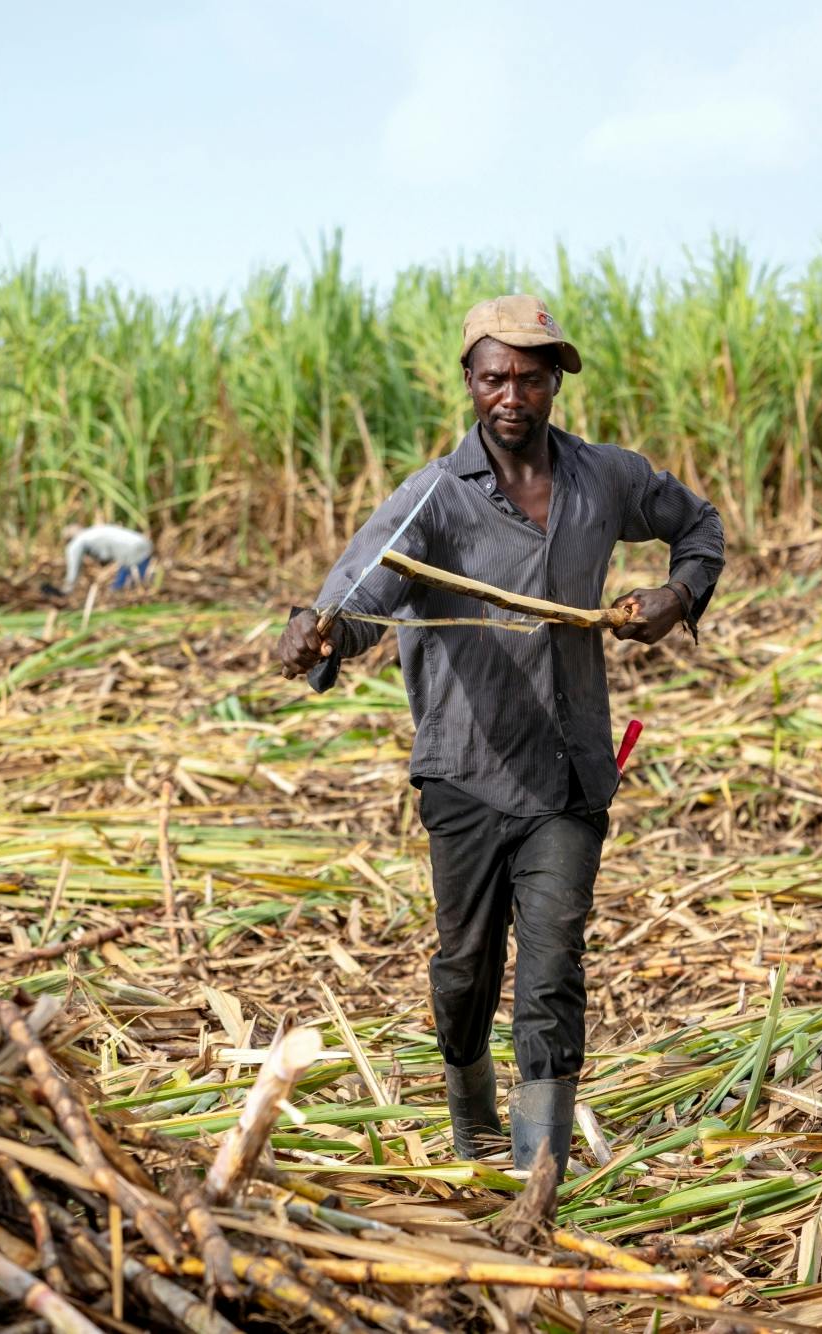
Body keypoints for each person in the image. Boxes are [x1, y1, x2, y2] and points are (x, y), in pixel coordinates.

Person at [276, 295, 726, 1180]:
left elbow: (699, 528)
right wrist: (316, 631)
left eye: (528, 377)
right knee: (464, 971)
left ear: (556, 380)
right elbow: (358, 598)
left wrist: (676, 599)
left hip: (571, 775)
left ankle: (539, 1174)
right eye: (493, 377)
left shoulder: (607, 479)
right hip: (467, 776)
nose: (510, 395)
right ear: (469, 383)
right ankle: (473, 1128)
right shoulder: (433, 499)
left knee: (553, 964)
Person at [61, 523, 155, 594]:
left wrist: (68, 587)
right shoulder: (92, 532)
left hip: (131, 550)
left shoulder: (78, 541)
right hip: (142, 542)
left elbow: (73, 566)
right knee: (139, 580)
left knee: (119, 588)